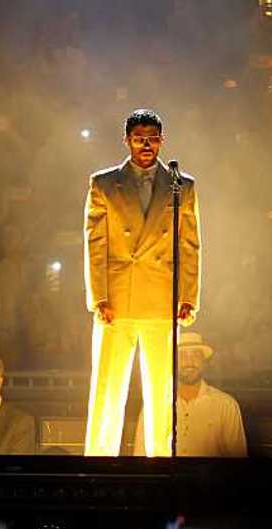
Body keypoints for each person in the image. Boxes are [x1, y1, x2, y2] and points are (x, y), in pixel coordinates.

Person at [83, 109, 201, 457]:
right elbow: (95, 244)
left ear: (162, 140)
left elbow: (189, 245)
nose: (146, 144)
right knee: (108, 385)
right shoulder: (103, 183)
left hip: (161, 295)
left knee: (162, 390)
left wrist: (188, 296)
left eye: (152, 138)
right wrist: (99, 296)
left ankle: (162, 461)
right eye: (139, 138)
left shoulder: (183, 186)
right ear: (127, 140)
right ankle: (99, 460)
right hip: (116, 298)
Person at [134, 332, 246, 457]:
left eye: (195, 355)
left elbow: (238, 462)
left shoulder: (226, 405)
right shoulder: (154, 406)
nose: (189, 362)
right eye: (182, 355)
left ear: (204, 361)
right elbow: (140, 455)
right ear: (172, 361)